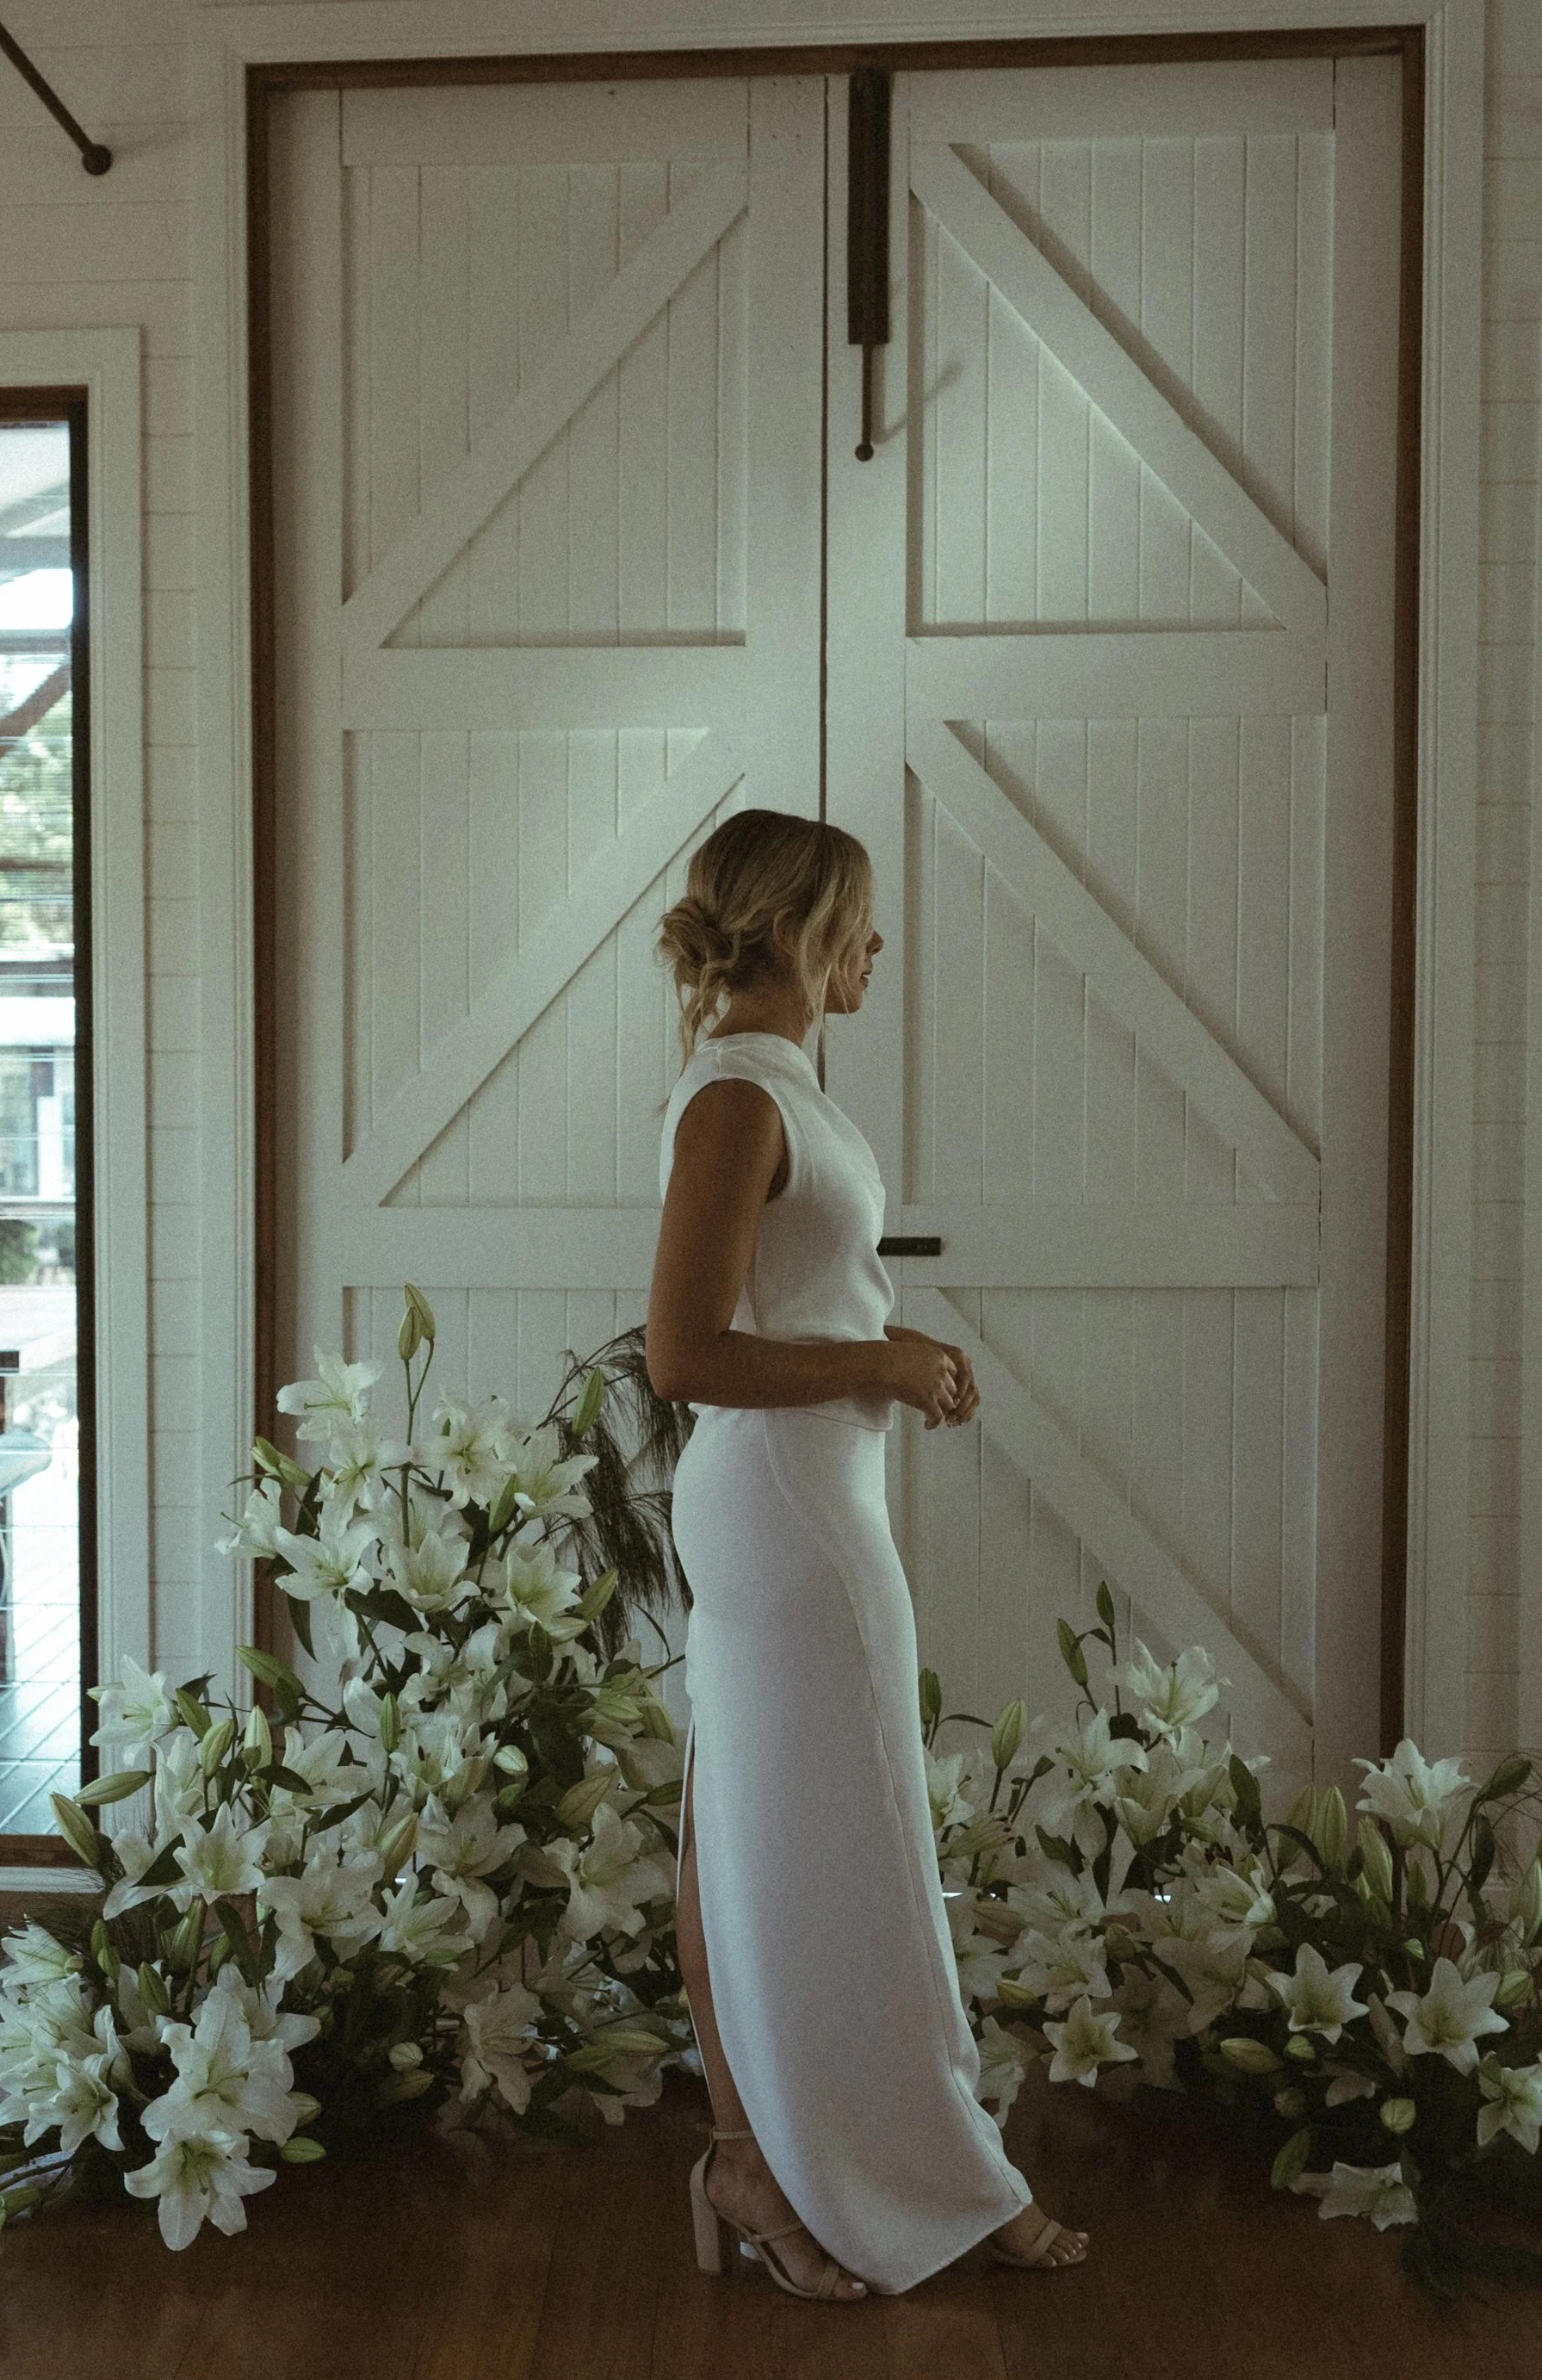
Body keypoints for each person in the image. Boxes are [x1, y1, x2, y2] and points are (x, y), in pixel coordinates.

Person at [645, 806, 1089, 2302]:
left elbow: (796, 1308)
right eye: (863, 922)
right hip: (787, 1511)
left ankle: (752, 2160)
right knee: (856, 1847)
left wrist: (885, 1352)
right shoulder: (734, 1101)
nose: (880, 948)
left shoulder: (774, 1086)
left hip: (808, 1496)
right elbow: (684, 1353)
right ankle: (938, 2179)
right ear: (797, 928)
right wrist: (880, 1366)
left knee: (760, 1835)